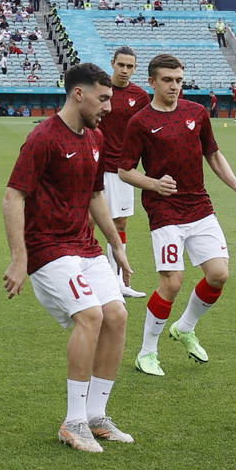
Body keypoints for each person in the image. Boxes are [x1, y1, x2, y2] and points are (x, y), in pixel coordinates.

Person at [2, 62, 134, 453]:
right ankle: (73, 422)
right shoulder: (43, 138)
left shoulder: (94, 139)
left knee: (117, 315)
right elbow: (13, 196)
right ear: (79, 93)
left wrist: (117, 245)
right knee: (90, 316)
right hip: (48, 248)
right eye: (103, 98)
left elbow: (95, 196)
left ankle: (96, 416)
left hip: (85, 246)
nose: (109, 107)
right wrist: (18, 258)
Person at [117, 54, 236, 377]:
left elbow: (213, 153)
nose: (175, 86)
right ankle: (147, 352)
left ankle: (185, 326)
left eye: (179, 80)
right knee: (172, 281)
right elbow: (125, 170)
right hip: (165, 211)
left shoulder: (196, 113)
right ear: (152, 82)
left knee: (219, 274)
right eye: (168, 80)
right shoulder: (139, 122)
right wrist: (153, 183)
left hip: (199, 206)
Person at [98, 47, 150, 299]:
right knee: (85, 222)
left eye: (130, 66)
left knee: (119, 223)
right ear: (113, 64)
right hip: (94, 165)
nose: (125, 70)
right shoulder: (99, 89)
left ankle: (117, 282)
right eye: (121, 65)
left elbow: (146, 132)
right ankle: (79, 276)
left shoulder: (139, 96)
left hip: (123, 170)